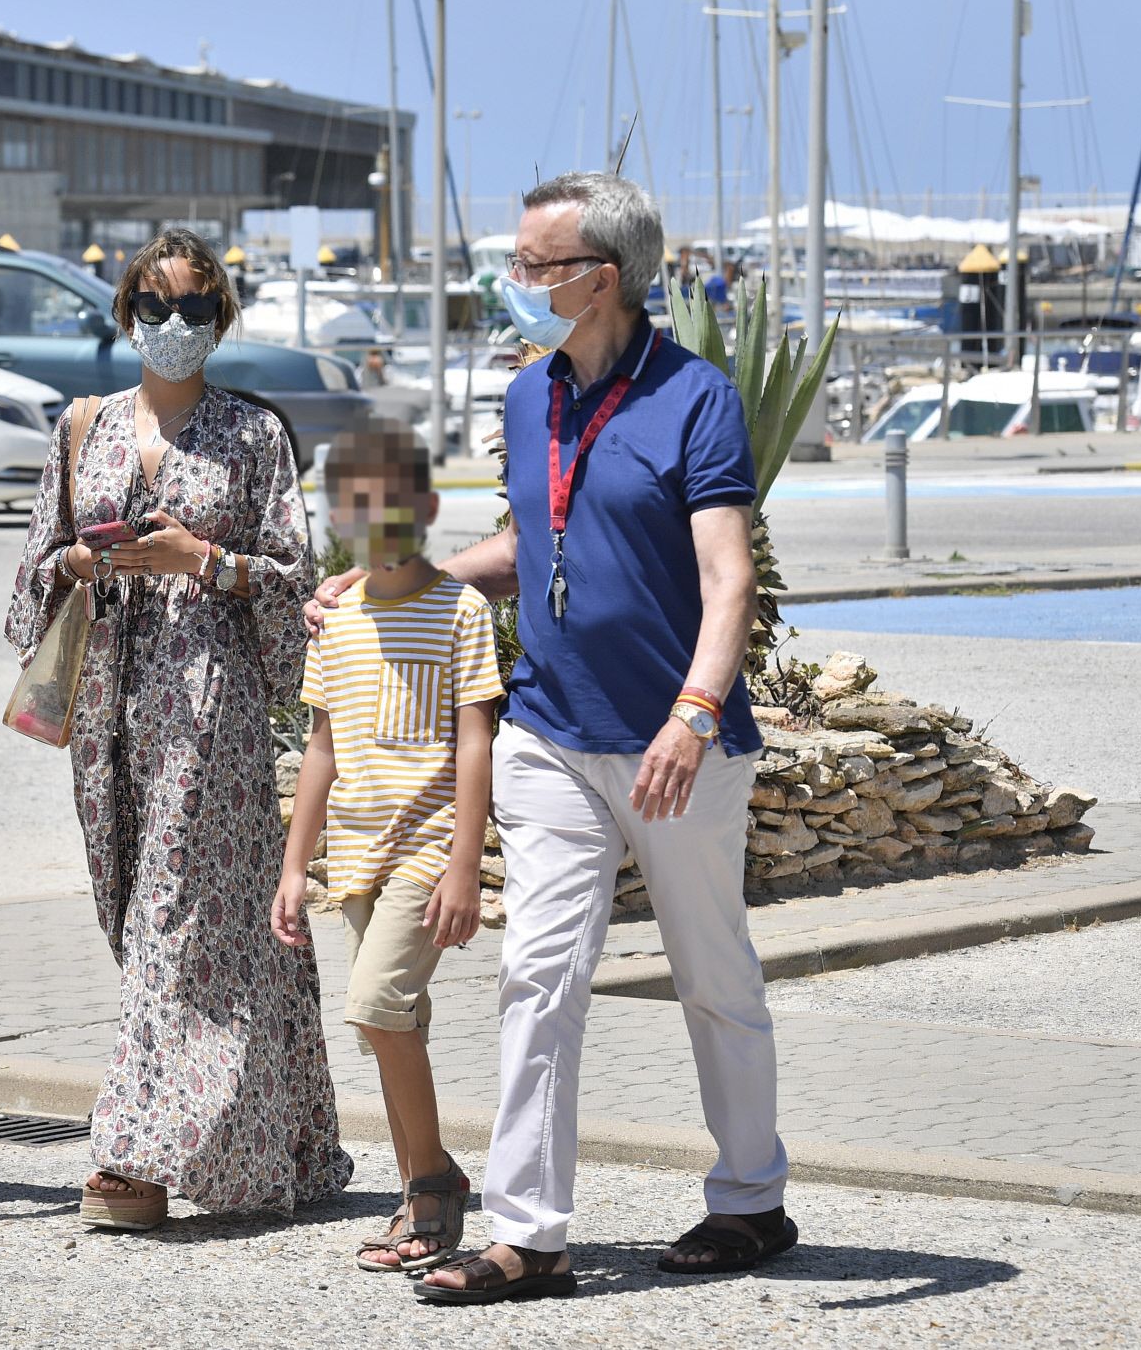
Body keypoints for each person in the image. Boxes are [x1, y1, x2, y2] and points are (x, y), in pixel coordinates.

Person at [313, 172, 793, 1304]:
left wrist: (690, 710)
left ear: (603, 278)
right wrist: (394, 581)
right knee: (538, 973)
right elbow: (530, 540)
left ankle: (750, 1198)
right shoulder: (532, 396)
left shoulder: (697, 398)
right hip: (549, 731)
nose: (514, 282)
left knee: (713, 973)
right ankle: (531, 1234)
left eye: (535, 265)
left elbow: (727, 584)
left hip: (681, 745)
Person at [5, 228, 352, 1229]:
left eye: (194, 308)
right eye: (153, 308)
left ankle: (134, 1157)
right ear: (125, 314)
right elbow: (31, 574)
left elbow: (293, 581)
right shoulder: (84, 426)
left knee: (174, 923)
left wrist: (204, 561)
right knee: (146, 914)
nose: (171, 326)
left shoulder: (252, 436)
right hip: (107, 705)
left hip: (209, 709)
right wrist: (77, 564)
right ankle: (278, 1136)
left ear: (222, 319)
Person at [272, 420, 503, 1273]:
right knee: (390, 1026)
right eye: (355, 505)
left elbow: (477, 741)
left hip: (425, 849)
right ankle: (423, 1188)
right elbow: (321, 750)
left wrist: (463, 865)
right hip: (357, 856)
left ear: (426, 507)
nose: (374, 519)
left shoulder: (460, 609)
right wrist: (296, 865)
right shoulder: (336, 622)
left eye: (391, 504)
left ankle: (434, 1184)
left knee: (373, 1008)